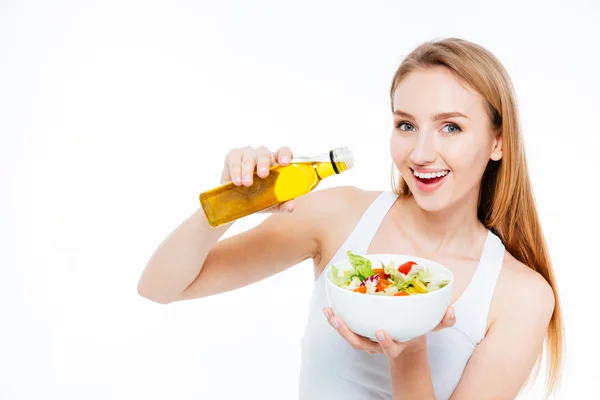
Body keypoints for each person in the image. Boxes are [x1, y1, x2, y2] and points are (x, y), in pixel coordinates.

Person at [137, 38, 563, 399]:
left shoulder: (522, 296)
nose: (419, 154)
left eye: (451, 127)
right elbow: (159, 288)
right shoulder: (339, 215)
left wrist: (410, 351)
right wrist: (229, 203)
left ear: (498, 142)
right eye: (406, 125)